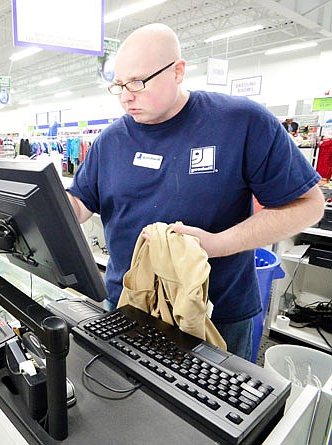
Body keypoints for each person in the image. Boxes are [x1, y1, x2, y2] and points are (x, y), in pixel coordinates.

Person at [66, 23, 324, 360]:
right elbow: (80, 205)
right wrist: (39, 208)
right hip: (128, 306)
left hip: (217, 315)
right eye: (118, 85)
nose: (127, 95)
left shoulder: (241, 122)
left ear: (178, 71)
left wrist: (218, 244)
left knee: (220, 411)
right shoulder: (109, 141)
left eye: (137, 83)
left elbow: (308, 205)